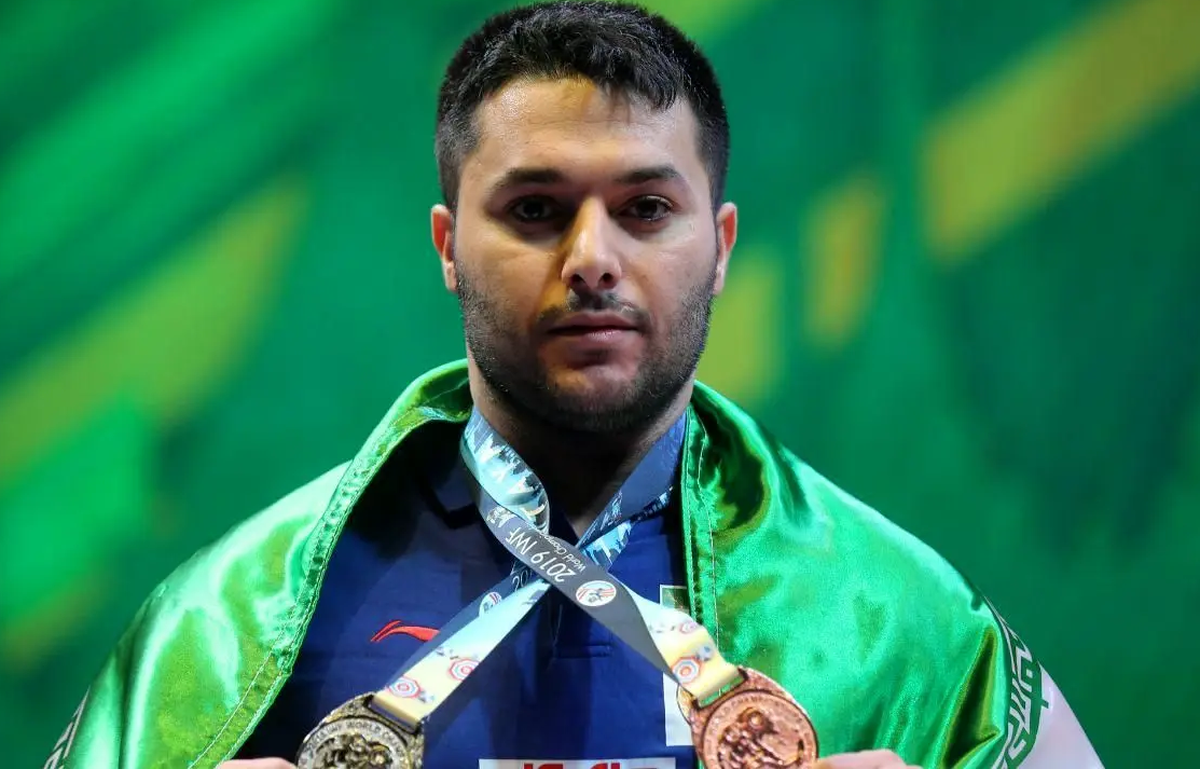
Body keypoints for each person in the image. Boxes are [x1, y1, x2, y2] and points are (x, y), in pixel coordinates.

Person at [44, 2, 1103, 768]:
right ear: (448, 245)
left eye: (645, 209)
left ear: (722, 246)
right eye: (536, 210)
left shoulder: (898, 621)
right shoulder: (225, 622)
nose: (592, 257)